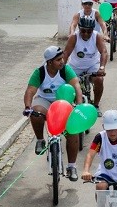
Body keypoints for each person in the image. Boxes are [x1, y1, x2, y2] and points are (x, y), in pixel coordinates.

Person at [22, 46, 82, 180]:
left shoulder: (66, 70)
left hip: (63, 102)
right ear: (49, 62)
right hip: (45, 102)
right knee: (35, 112)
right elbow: (30, 91)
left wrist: (79, 104)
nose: (62, 62)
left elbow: (76, 87)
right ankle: (40, 140)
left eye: (62, 59)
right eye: (58, 60)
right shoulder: (40, 72)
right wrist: (27, 107)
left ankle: (72, 166)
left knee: (73, 132)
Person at [63, 15, 108, 115]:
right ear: (79, 29)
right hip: (75, 67)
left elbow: (103, 52)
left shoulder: (97, 36)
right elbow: (66, 53)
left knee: (99, 80)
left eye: (89, 31)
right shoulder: (74, 37)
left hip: (92, 66)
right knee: (68, 85)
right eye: (83, 31)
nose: (86, 34)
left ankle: (96, 105)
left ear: (92, 30)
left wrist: (102, 68)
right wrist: (62, 68)